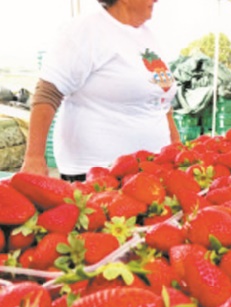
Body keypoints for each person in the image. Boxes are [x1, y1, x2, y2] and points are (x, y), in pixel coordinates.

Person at [20, 0, 180, 182]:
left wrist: (175, 146)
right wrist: (34, 157)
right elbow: (48, 93)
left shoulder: (147, 36)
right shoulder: (86, 30)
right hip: (97, 173)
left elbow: (162, 103)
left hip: (151, 167)